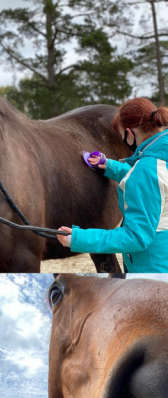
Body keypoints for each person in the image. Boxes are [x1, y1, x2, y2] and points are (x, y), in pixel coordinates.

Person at [58, 97, 168, 272]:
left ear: (130, 134)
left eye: (122, 134)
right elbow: (157, 184)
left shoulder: (146, 170)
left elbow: (136, 237)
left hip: (152, 267)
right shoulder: (162, 156)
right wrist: (109, 165)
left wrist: (79, 238)